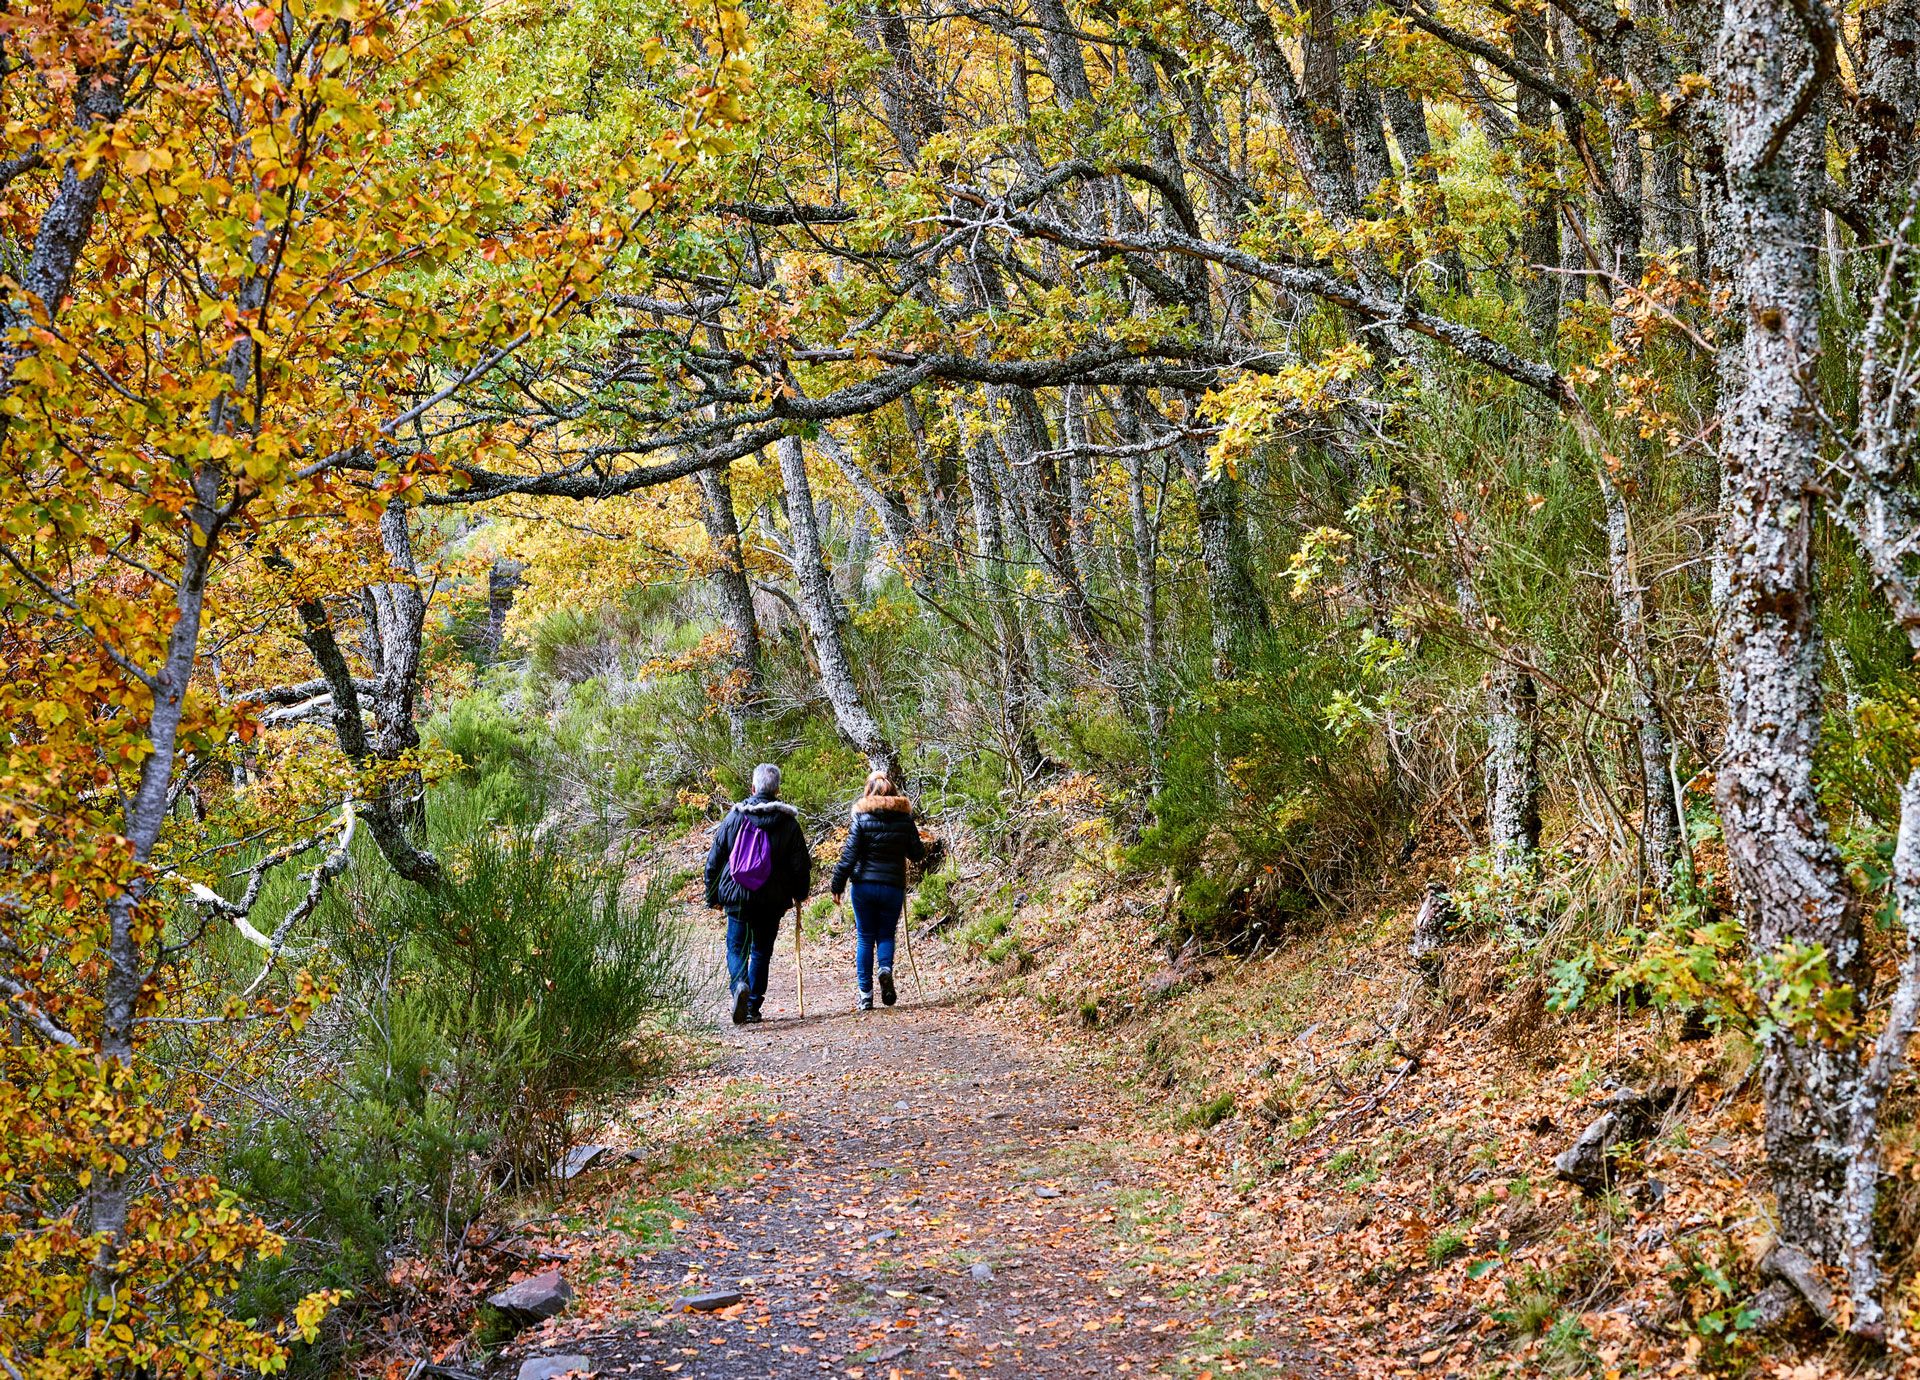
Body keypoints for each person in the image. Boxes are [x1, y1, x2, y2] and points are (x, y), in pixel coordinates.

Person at [706, 763, 811, 1025]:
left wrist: (713, 896)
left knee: (736, 947)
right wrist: (801, 893)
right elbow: (801, 864)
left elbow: (715, 860)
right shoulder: (788, 823)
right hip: (772, 899)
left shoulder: (734, 818)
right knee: (762, 951)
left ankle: (739, 985)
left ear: (753, 788)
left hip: (737, 894)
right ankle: (752, 1007)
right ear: (777, 790)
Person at [830, 771, 926, 1011]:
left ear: (868, 791)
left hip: (864, 886)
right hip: (893, 885)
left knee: (864, 937)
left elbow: (849, 856)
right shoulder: (904, 819)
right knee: (885, 934)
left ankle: (865, 995)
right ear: (893, 792)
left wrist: (837, 885)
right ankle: (885, 969)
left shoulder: (861, 818)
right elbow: (917, 854)